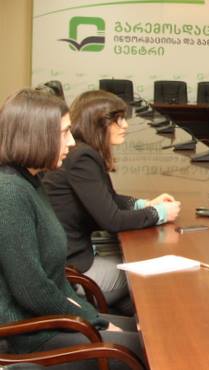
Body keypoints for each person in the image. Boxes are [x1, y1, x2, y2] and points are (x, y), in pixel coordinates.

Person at [0, 89, 143, 367]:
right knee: (148, 350)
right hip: (29, 337)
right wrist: (93, 320)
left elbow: (52, 275)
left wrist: (91, 317)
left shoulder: (30, 181)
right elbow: (32, 290)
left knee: (149, 333)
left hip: (50, 320)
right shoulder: (10, 192)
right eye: (64, 133)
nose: (72, 141)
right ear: (37, 135)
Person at [44, 90, 181, 315]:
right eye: (118, 119)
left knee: (141, 286)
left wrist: (143, 203)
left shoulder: (82, 152)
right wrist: (159, 213)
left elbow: (109, 198)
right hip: (74, 273)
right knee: (155, 276)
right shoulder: (82, 157)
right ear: (98, 124)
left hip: (73, 259)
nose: (125, 125)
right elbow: (112, 221)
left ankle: (131, 323)